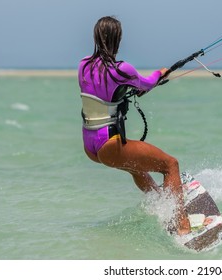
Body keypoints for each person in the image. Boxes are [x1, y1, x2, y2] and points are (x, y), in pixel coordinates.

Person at [78, 16, 190, 235]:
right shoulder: (123, 69)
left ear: (95, 37)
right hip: (108, 143)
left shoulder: (83, 65)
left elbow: (107, 89)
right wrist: (160, 73)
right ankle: (181, 224)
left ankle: (161, 203)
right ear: (118, 39)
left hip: (89, 145)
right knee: (170, 165)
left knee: (135, 167)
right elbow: (145, 85)